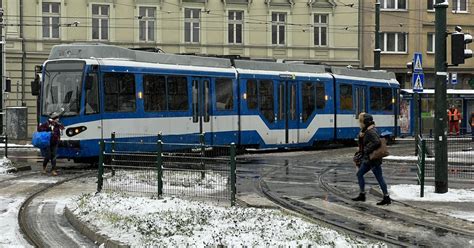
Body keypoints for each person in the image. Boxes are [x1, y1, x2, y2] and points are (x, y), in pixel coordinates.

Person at [352, 113, 391, 206]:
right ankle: (362, 194)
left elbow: (376, 142)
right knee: (359, 174)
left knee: (379, 178)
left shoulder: (370, 131)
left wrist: (366, 149)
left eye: (361, 121)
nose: (360, 123)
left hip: (373, 159)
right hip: (368, 159)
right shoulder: (366, 130)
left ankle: (386, 197)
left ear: (365, 122)